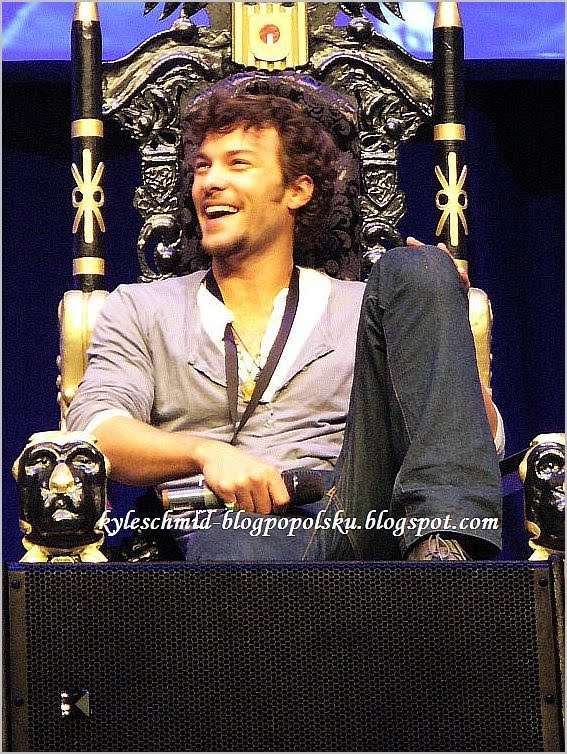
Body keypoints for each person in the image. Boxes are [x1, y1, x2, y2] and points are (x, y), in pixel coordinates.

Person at [66, 92, 504, 562]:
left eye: (237, 164)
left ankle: (442, 562)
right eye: (202, 167)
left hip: (358, 513)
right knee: (233, 543)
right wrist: (205, 453)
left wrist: (441, 324)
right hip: (222, 524)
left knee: (418, 269)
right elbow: (97, 432)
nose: (211, 181)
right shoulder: (141, 308)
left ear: (298, 190)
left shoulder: (364, 308)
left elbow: (482, 444)